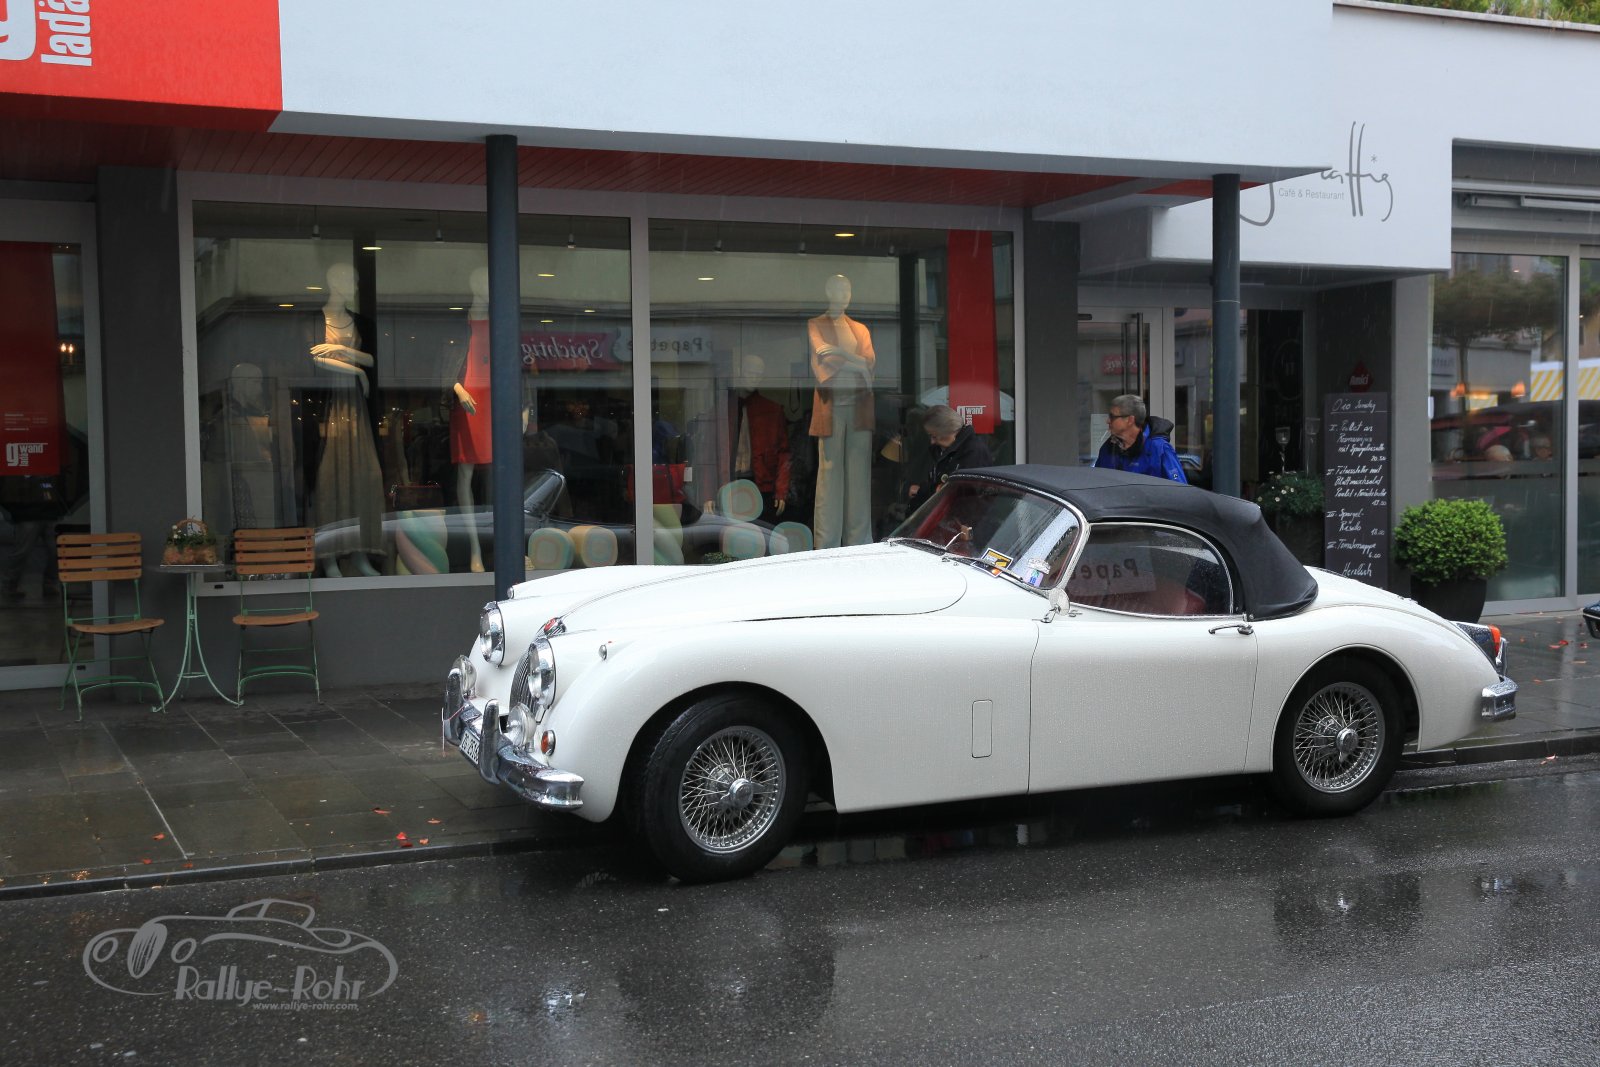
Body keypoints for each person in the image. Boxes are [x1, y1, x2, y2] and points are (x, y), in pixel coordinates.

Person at [308, 262, 386, 577]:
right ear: (332, 281)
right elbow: (315, 359)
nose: (352, 285)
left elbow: (373, 359)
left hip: (356, 409)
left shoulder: (360, 322)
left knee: (364, 477)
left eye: (354, 280)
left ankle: (359, 553)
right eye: (347, 279)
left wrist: (340, 351)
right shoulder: (315, 319)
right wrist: (356, 372)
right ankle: (329, 557)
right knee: (331, 478)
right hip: (328, 406)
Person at [807, 274, 875, 548]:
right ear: (828, 291)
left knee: (859, 476)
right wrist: (856, 364)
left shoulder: (860, 329)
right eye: (839, 288)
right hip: (831, 406)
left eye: (847, 289)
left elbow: (869, 363)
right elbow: (824, 362)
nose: (844, 294)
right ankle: (826, 544)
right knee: (830, 475)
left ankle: (859, 542)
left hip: (859, 407)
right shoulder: (816, 324)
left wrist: (842, 353)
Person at [449, 266, 492, 572]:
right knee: (466, 474)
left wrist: (524, 405)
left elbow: (515, 360)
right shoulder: (458, 320)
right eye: (480, 280)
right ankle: (475, 548)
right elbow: (444, 363)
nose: (485, 286)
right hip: (467, 400)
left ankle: (501, 544)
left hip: (494, 400)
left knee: (498, 475)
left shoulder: (501, 316)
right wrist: (457, 388)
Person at [1093, 394, 1187, 483]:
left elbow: (1179, 489)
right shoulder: (1107, 448)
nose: (1108, 421)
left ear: (1130, 420)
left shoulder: (1159, 449)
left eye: (1113, 417)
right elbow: (1096, 484)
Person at [908, 405, 992, 502]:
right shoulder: (944, 451)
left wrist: (924, 491)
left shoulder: (974, 451)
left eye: (934, 436)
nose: (932, 442)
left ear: (947, 431)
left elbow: (963, 492)